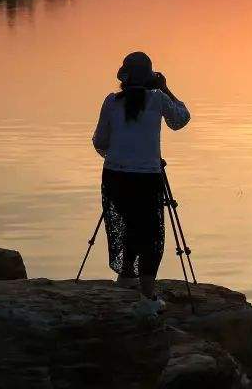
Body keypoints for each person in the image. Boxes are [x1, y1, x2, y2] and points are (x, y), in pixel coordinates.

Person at [92, 51, 190, 312]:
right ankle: (147, 298)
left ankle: (125, 277)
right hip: (147, 177)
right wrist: (166, 88)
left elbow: (100, 142)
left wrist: (121, 152)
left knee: (127, 223)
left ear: (123, 78)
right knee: (151, 234)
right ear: (151, 78)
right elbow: (181, 119)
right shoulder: (157, 99)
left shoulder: (111, 102)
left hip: (114, 176)